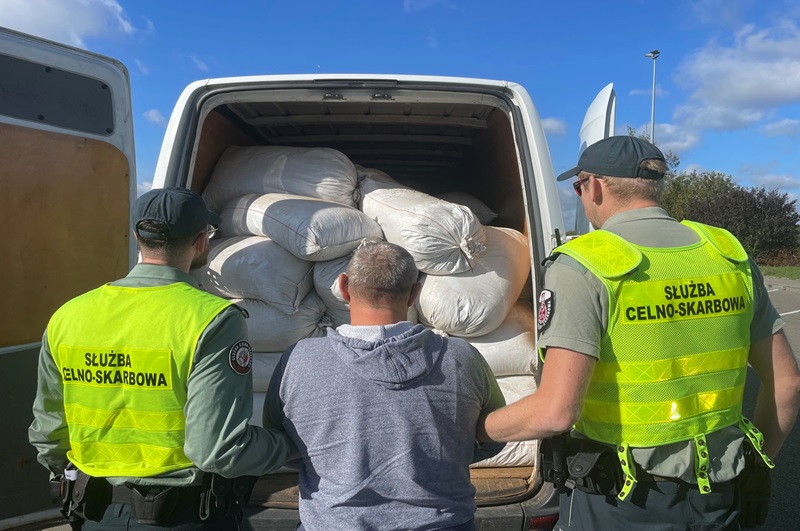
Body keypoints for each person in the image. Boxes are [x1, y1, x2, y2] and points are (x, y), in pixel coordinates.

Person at [479, 136, 800, 530]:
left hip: (623, 501)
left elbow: (555, 411)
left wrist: (478, 431)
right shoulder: (727, 254)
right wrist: (756, 463)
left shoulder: (587, 264)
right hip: (719, 494)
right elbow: (788, 384)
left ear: (594, 186)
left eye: (578, 187)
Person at [29, 187, 295, 530]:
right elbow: (217, 449)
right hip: (183, 516)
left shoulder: (68, 315)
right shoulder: (210, 319)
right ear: (202, 241)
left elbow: (48, 432)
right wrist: (290, 446)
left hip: (93, 512)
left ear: (137, 236)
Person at [264, 241, 506, 531]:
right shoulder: (461, 357)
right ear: (414, 294)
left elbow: (280, 441)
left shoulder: (299, 359)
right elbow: (495, 434)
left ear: (343, 287)